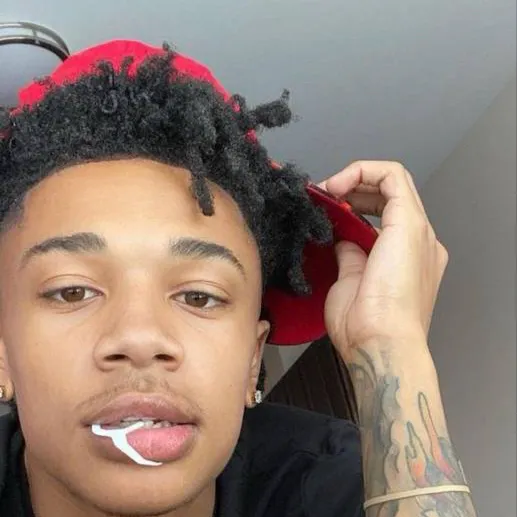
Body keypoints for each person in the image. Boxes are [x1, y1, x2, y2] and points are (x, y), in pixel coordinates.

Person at [0, 40, 477, 517]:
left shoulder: (338, 480)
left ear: (253, 359)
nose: (141, 339)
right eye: (72, 290)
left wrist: (395, 349)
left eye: (199, 296)